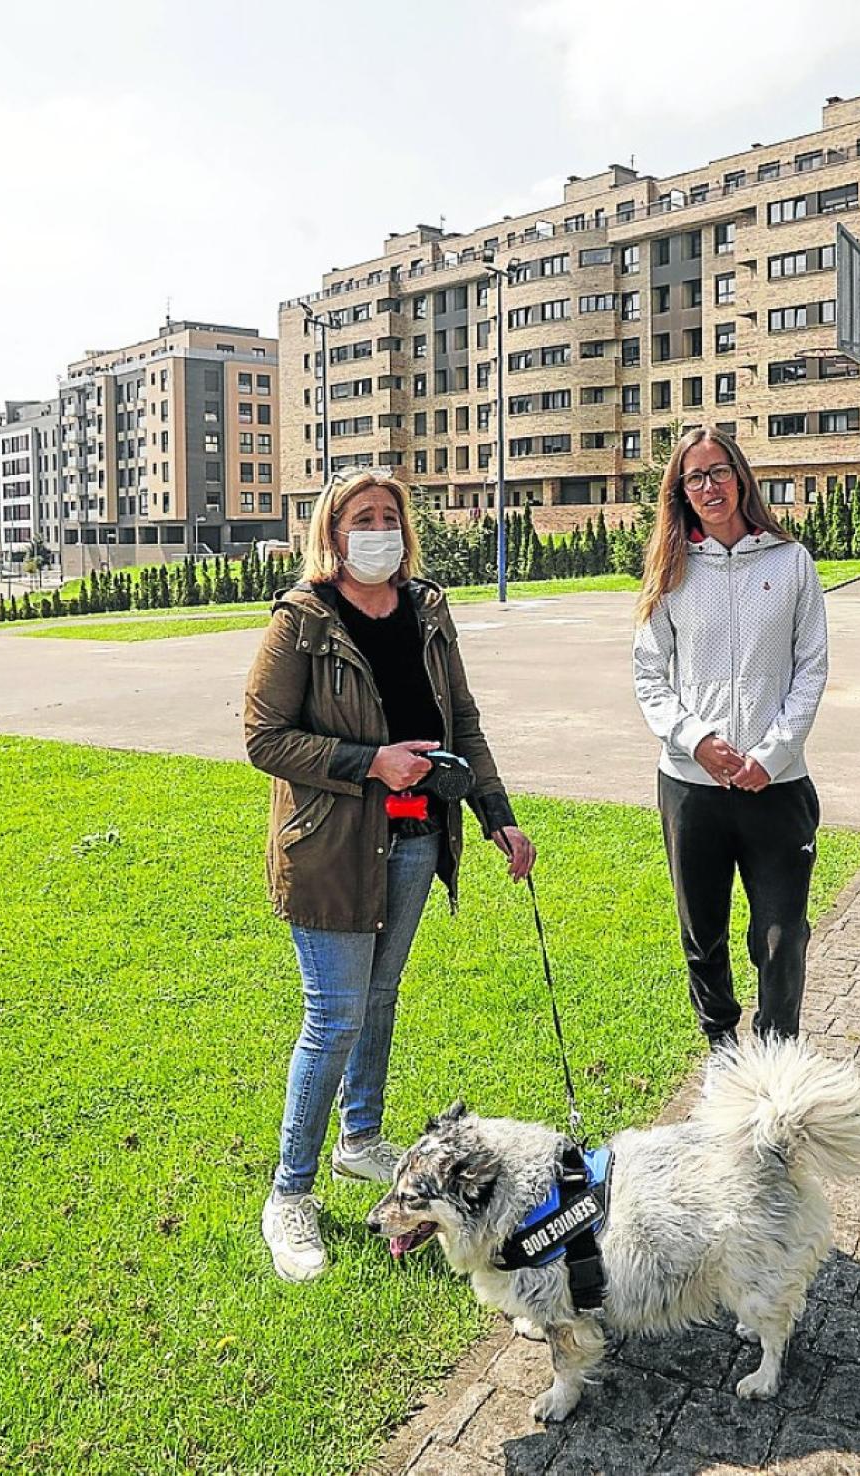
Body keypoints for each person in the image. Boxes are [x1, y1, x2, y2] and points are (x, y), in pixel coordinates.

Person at [243, 471, 535, 1282]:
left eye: (390, 517)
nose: (379, 529)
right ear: (332, 535)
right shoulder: (302, 619)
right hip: (333, 847)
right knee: (333, 1016)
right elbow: (265, 738)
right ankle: (289, 1194)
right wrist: (372, 762)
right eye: (361, 519)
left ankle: (361, 1141)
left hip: (415, 843)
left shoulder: (427, 609)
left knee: (379, 998)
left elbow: (461, 723)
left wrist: (496, 814)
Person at [633, 427, 830, 1048]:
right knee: (703, 933)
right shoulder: (671, 571)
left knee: (781, 935)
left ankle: (775, 1056)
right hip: (693, 788)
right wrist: (696, 741)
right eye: (695, 478)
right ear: (681, 492)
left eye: (719, 472)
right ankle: (721, 1046)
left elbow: (812, 667)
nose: (709, 486)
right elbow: (648, 671)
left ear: (740, 477)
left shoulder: (790, 560)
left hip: (776, 787)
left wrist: (770, 756)